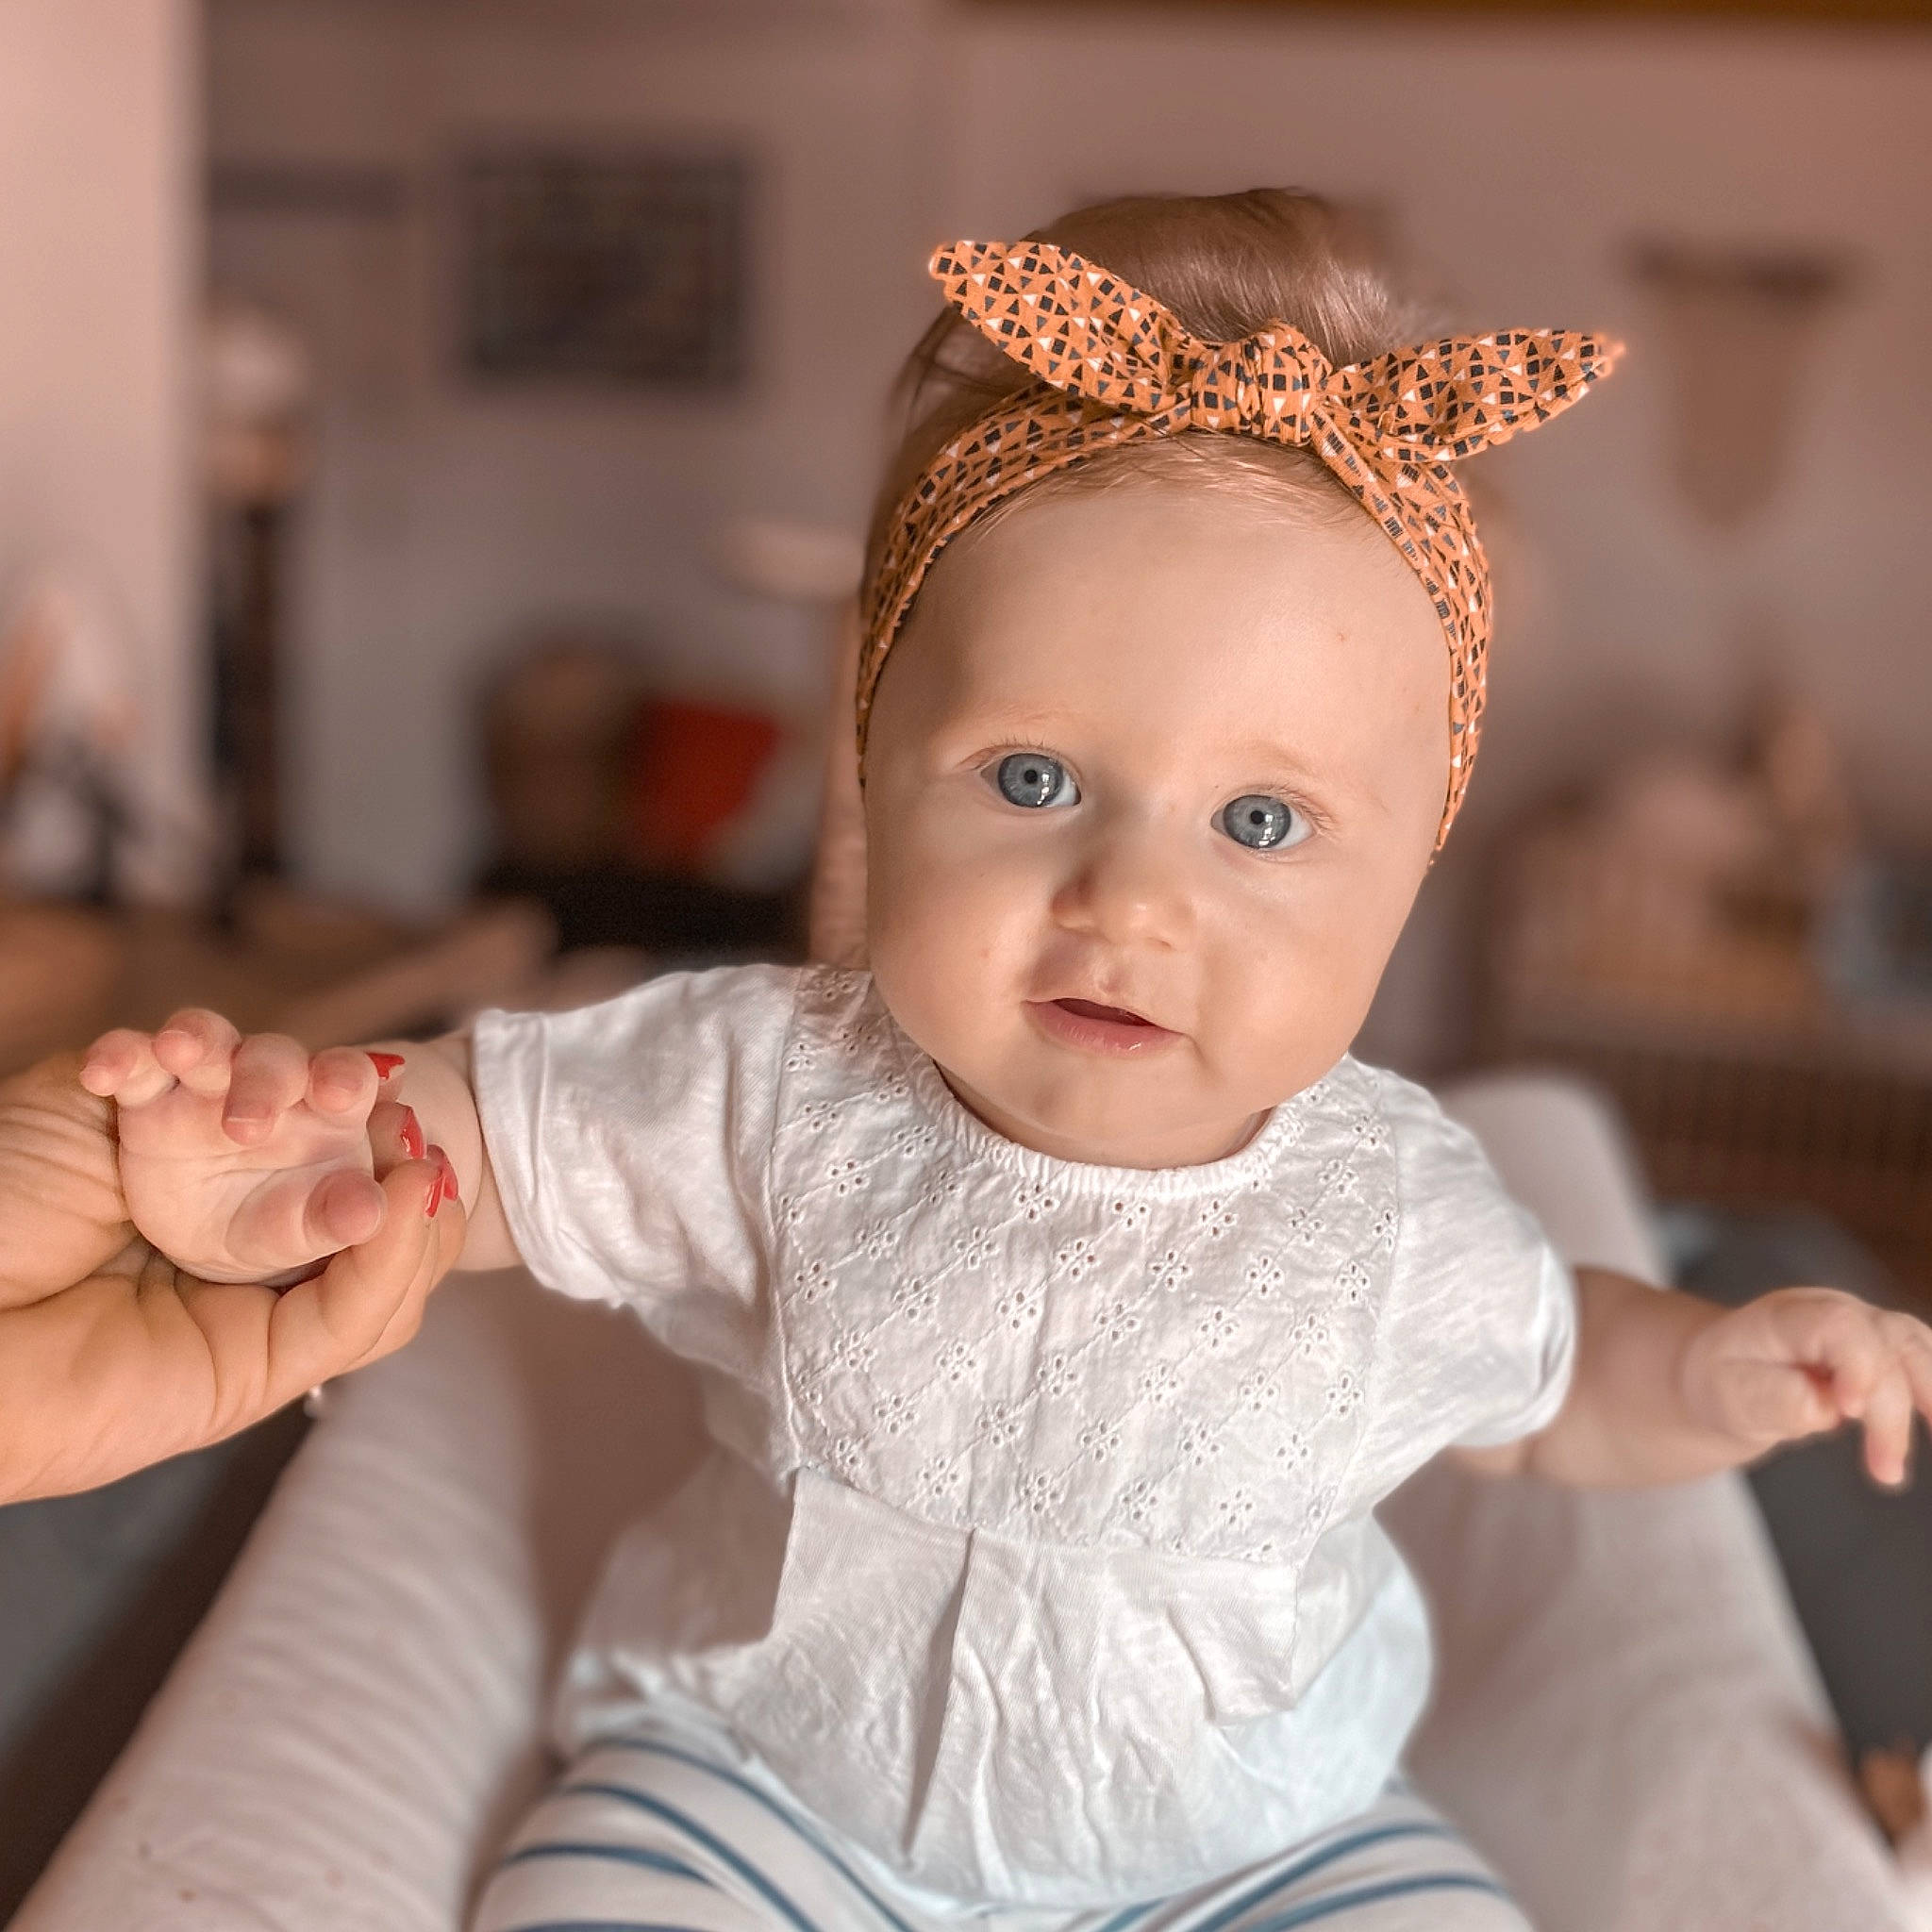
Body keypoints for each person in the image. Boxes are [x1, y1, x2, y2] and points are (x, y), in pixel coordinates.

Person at [28, 190, 1932, 1931]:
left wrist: (1712, 1361)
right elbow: (487, 1139)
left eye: (1259, 826)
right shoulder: (774, 1085)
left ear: (1407, 873)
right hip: (763, 1795)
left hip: (1259, 1842)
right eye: (1031, 779)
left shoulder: (1388, 1205)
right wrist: (281, 1154)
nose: (1128, 898)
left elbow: (1547, 1385)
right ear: (871, 779)